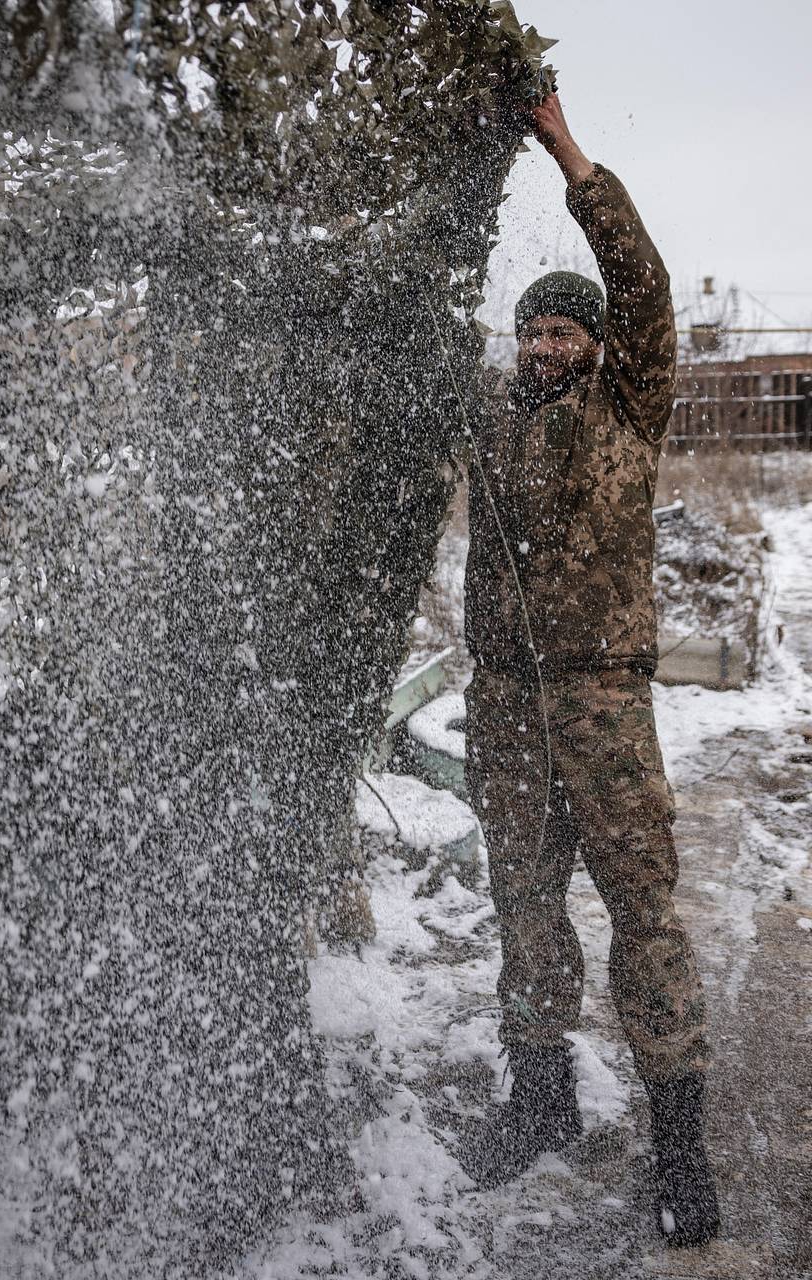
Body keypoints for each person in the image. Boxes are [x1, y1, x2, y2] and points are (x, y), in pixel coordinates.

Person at [461, 94, 721, 1248]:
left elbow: (640, 276)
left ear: (597, 344)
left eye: (562, 330)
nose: (543, 345)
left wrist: (565, 151)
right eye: (531, 331)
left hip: (602, 702)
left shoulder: (629, 399)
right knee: (522, 901)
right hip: (507, 704)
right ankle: (538, 1099)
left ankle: (678, 1148)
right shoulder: (488, 415)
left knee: (639, 913)